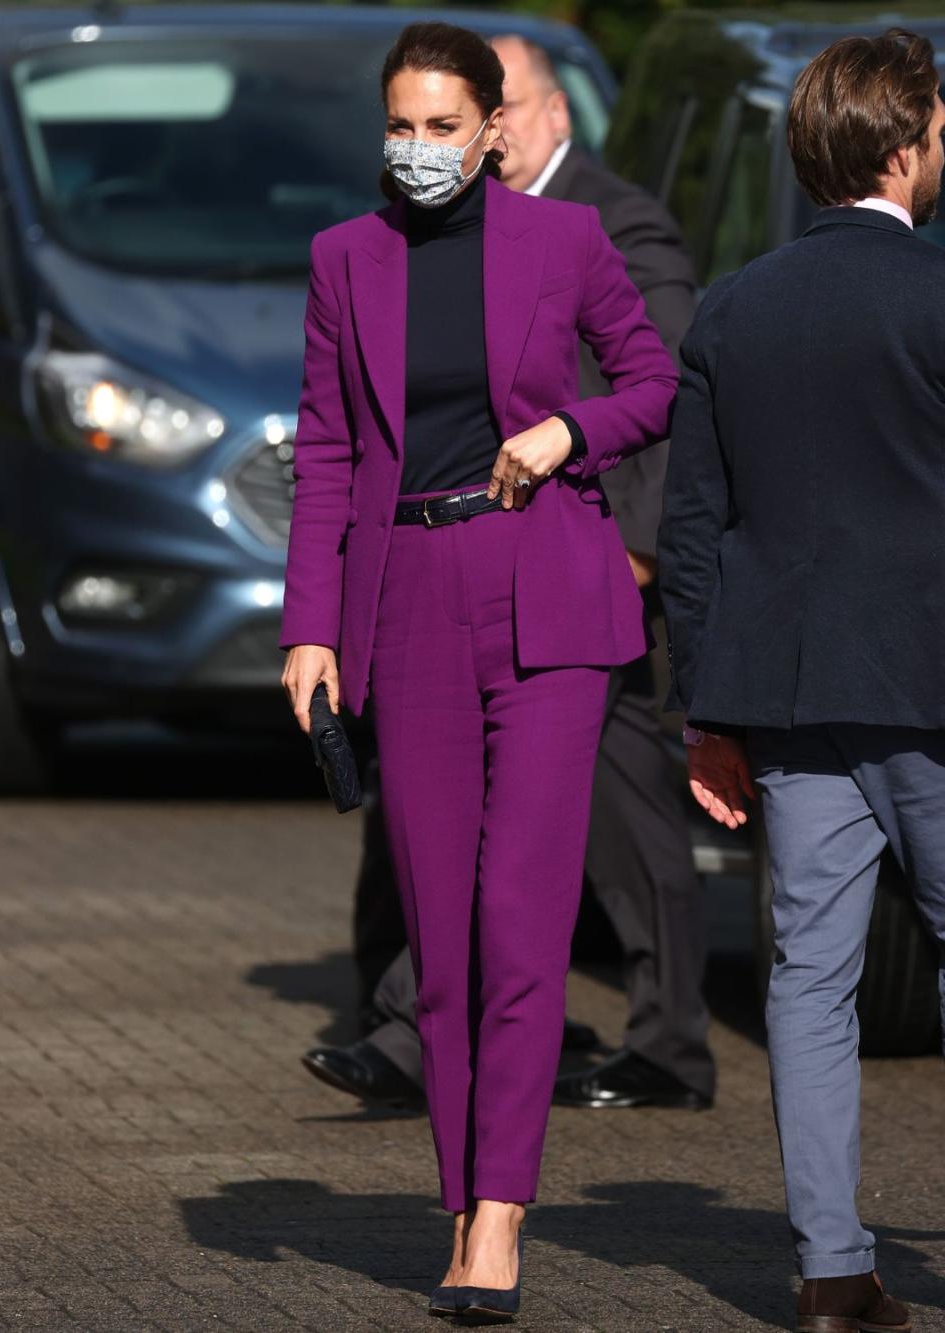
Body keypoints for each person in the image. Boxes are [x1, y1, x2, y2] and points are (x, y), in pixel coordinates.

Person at [281, 20, 676, 1321]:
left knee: (519, 922)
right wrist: (311, 625)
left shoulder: (563, 241)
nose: (417, 149)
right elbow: (330, 452)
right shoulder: (346, 258)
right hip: (413, 603)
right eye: (399, 125)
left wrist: (570, 428)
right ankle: (460, 1199)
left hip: (549, 594)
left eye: (442, 126)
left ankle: (498, 1213)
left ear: (496, 130)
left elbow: (657, 377)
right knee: (438, 937)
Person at [657, 28, 945, 1332]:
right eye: (940, 131)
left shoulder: (731, 309)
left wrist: (699, 716)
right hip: (931, 693)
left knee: (810, 988)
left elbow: (693, 535)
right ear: (903, 150)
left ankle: (832, 1273)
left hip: (785, 697)